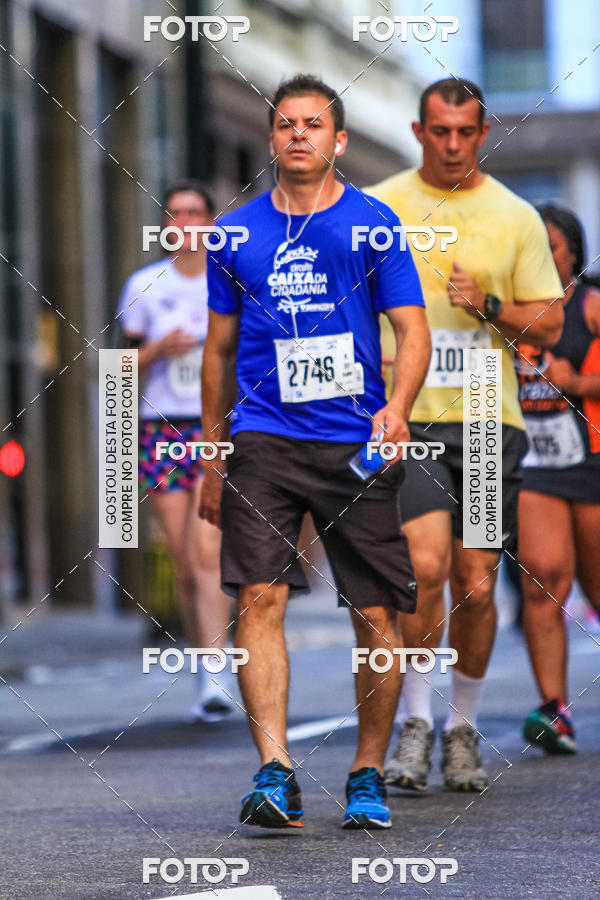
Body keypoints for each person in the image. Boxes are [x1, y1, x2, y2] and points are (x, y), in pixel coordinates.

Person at [200, 74, 430, 830]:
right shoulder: (234, 234)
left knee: (374, 610)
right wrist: (210, 449)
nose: (299, 134)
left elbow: (412, 329)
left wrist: (396, 410)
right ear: (271, 140)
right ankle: (274, 770)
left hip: (354, 441)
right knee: (258, 595)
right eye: (286, 124)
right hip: (263, 435)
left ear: (336, 140)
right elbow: (219, 348)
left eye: (313, 124)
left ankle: (367, 771)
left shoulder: (373, 224)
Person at [369, 78, 564, 792]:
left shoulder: (513, 217)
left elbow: (548, 323)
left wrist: (483, 304)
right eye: (439, 131)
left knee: (476, 585)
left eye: (465, 133)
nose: (452, 144)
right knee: (423, 569)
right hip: (411, 411)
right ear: (420, 132)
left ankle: (464, 728)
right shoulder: (381, 204)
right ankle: (416, 723)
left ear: (483, 135)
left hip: (486, 411)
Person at [116, 180, 235, 722]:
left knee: (211, 553)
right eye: (175, 213)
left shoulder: (229, 279)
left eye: (195, 212)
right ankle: (203, 662)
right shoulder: (145, 284)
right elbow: (117, 370)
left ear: (212, 221)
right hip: (161, 429)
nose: (185, 222)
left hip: (216, 428)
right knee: (187, 562)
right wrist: (158, 350)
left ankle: (217, 674)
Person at [516, 205, 600, 754]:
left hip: (592, 461)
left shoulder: (591, 305)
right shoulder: (510, 311)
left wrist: (582, 381)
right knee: (542, 580)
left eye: (553, 245)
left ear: (572, 249)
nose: (545, 255)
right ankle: (554, 709)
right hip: (536, 465)